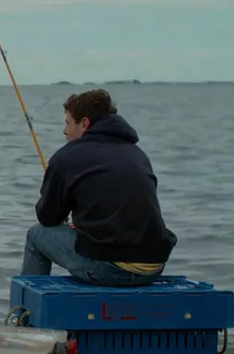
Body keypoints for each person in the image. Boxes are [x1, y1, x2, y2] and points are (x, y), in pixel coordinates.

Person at [20, 88, 177, 286]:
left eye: (67, 123)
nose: (64, 131)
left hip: (109, 269)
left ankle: (24, 304)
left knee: (36, 235)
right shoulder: (138, 154)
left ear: (84, 123)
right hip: (154, 266)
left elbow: (47, 217)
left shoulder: (66, 156)